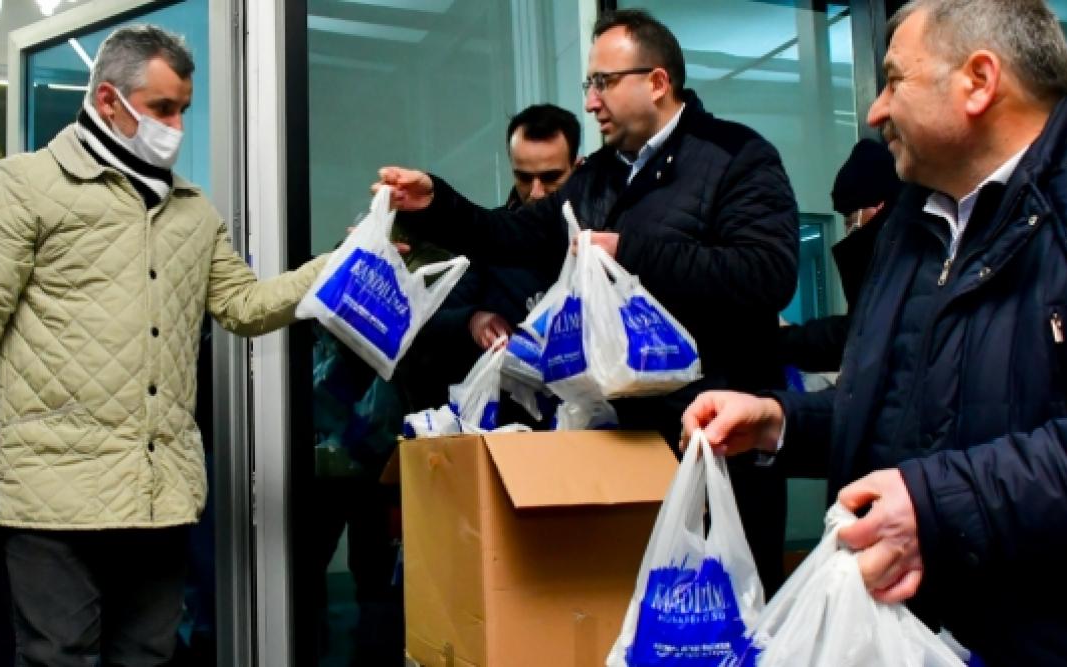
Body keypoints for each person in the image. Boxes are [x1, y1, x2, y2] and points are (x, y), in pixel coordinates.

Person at [683, 0, 1067, 662]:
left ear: (978, 80)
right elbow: (905, 411)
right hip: (905, 635)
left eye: (893, 81)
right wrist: (779, 421)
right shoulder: (912, 226)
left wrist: (934, 505)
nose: (876, 111)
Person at [0, 25, 328, 666]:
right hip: (52, 489)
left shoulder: (192, 210)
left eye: (184, 109)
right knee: (60, 656)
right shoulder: (27, 184)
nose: (177, 126)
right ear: (109, 101)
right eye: (163, 108)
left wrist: (341, 267)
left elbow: (242, 307)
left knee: (147, 656)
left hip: (159, 493)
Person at [377, 9, 799, 592]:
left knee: (717, 626)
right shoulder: (599, 175)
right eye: (589, 85)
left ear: (656, 82)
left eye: (603, 83)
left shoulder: (736, 156)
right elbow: (514, 235)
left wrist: (632, 251)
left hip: (714, 450)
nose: (592, 102)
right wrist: (437, 203)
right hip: (617, 449)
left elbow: (769, 274)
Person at [403, 103, 582, 416]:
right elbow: (424, 325)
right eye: (524, 178)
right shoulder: (490, 241)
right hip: (506, 429)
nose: (536, 193)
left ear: (578, 169)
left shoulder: (599, 246)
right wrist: (472, 320)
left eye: (551, 177)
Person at [777, 138, 901, 373]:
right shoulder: (898, 250)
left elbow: (861, 334)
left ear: (878, 207)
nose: (847, 230)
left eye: (848, 218)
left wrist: (784, 340)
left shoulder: (904, 258)